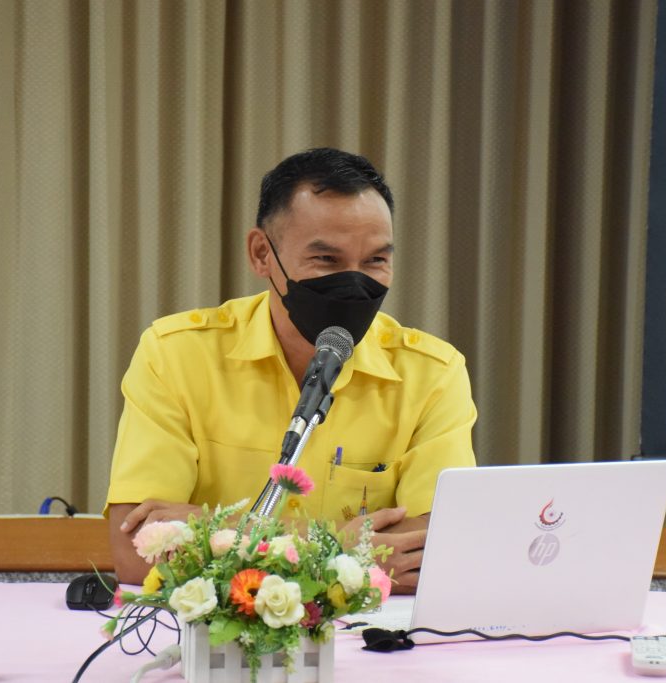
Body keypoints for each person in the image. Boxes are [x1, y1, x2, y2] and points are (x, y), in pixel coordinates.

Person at [105, 148, 477, 589]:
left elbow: (434, 549)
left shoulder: (432, 374)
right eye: (327, 260)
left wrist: (219, 531)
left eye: (376, 260)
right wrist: (341, 548)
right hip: (218, 629)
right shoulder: (177, 355)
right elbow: (137, 552)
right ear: (262, 253)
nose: (354, 281)